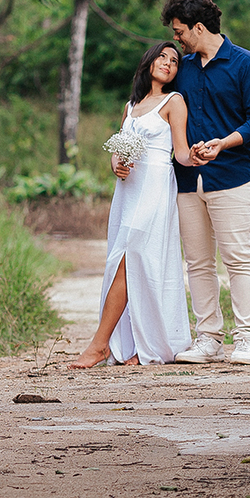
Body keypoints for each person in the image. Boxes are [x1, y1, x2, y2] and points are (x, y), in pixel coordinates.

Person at [67, 40, 195, 369]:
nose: (169, 63)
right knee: (125, 263)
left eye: (175, 61)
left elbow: (178, 152)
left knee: (135, 260)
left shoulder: (173, 101)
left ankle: (99, 345)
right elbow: (119, 149)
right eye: (163, 57)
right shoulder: (131, 104)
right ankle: (137, 345)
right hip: (128, 191)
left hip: (154, 188)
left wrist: (195, 157)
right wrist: (115, 163)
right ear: (149, 61)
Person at [163, 0, 250, 365]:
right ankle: (208, 337)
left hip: (233, 176)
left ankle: (247, 338)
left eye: (179, 32)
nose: (176, 39)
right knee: (196, 261)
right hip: (186, 180)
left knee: (238, 258)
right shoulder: (185, 68)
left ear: (198, 26)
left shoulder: (246, 64)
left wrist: (223, 143)